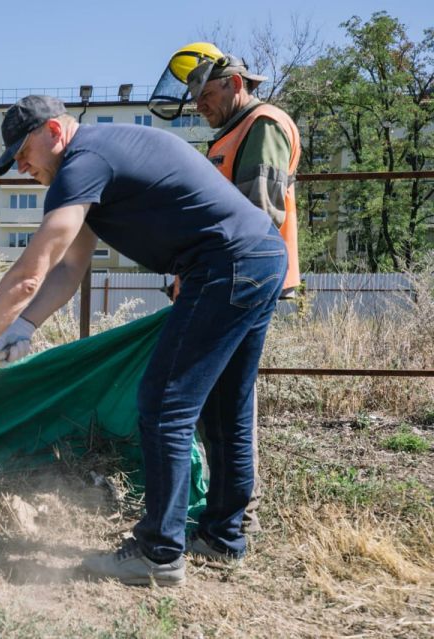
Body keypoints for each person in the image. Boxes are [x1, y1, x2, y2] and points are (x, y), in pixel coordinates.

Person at [0, 95, 286, 586]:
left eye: (22, 153)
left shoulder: (83, 161)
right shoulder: (96, 161)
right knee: (224, 408)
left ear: (52, 131)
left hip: (226, 265)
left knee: (163, 404)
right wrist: (24, 327)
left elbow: (29, 275)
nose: (21, 167)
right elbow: (69, 268)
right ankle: (222, 537)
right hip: (259, 257)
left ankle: (157, 554)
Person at [152, 43, 303, 533]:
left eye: (206, 95)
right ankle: (227, 523)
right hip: (223, 282)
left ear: (235, 83)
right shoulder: (235, 132)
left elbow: (255, 219)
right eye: (195, 99)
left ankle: (236, 517)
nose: (200, 107)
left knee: (223, 408)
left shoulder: (263, 127)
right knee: (220, 406)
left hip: (233, 285)